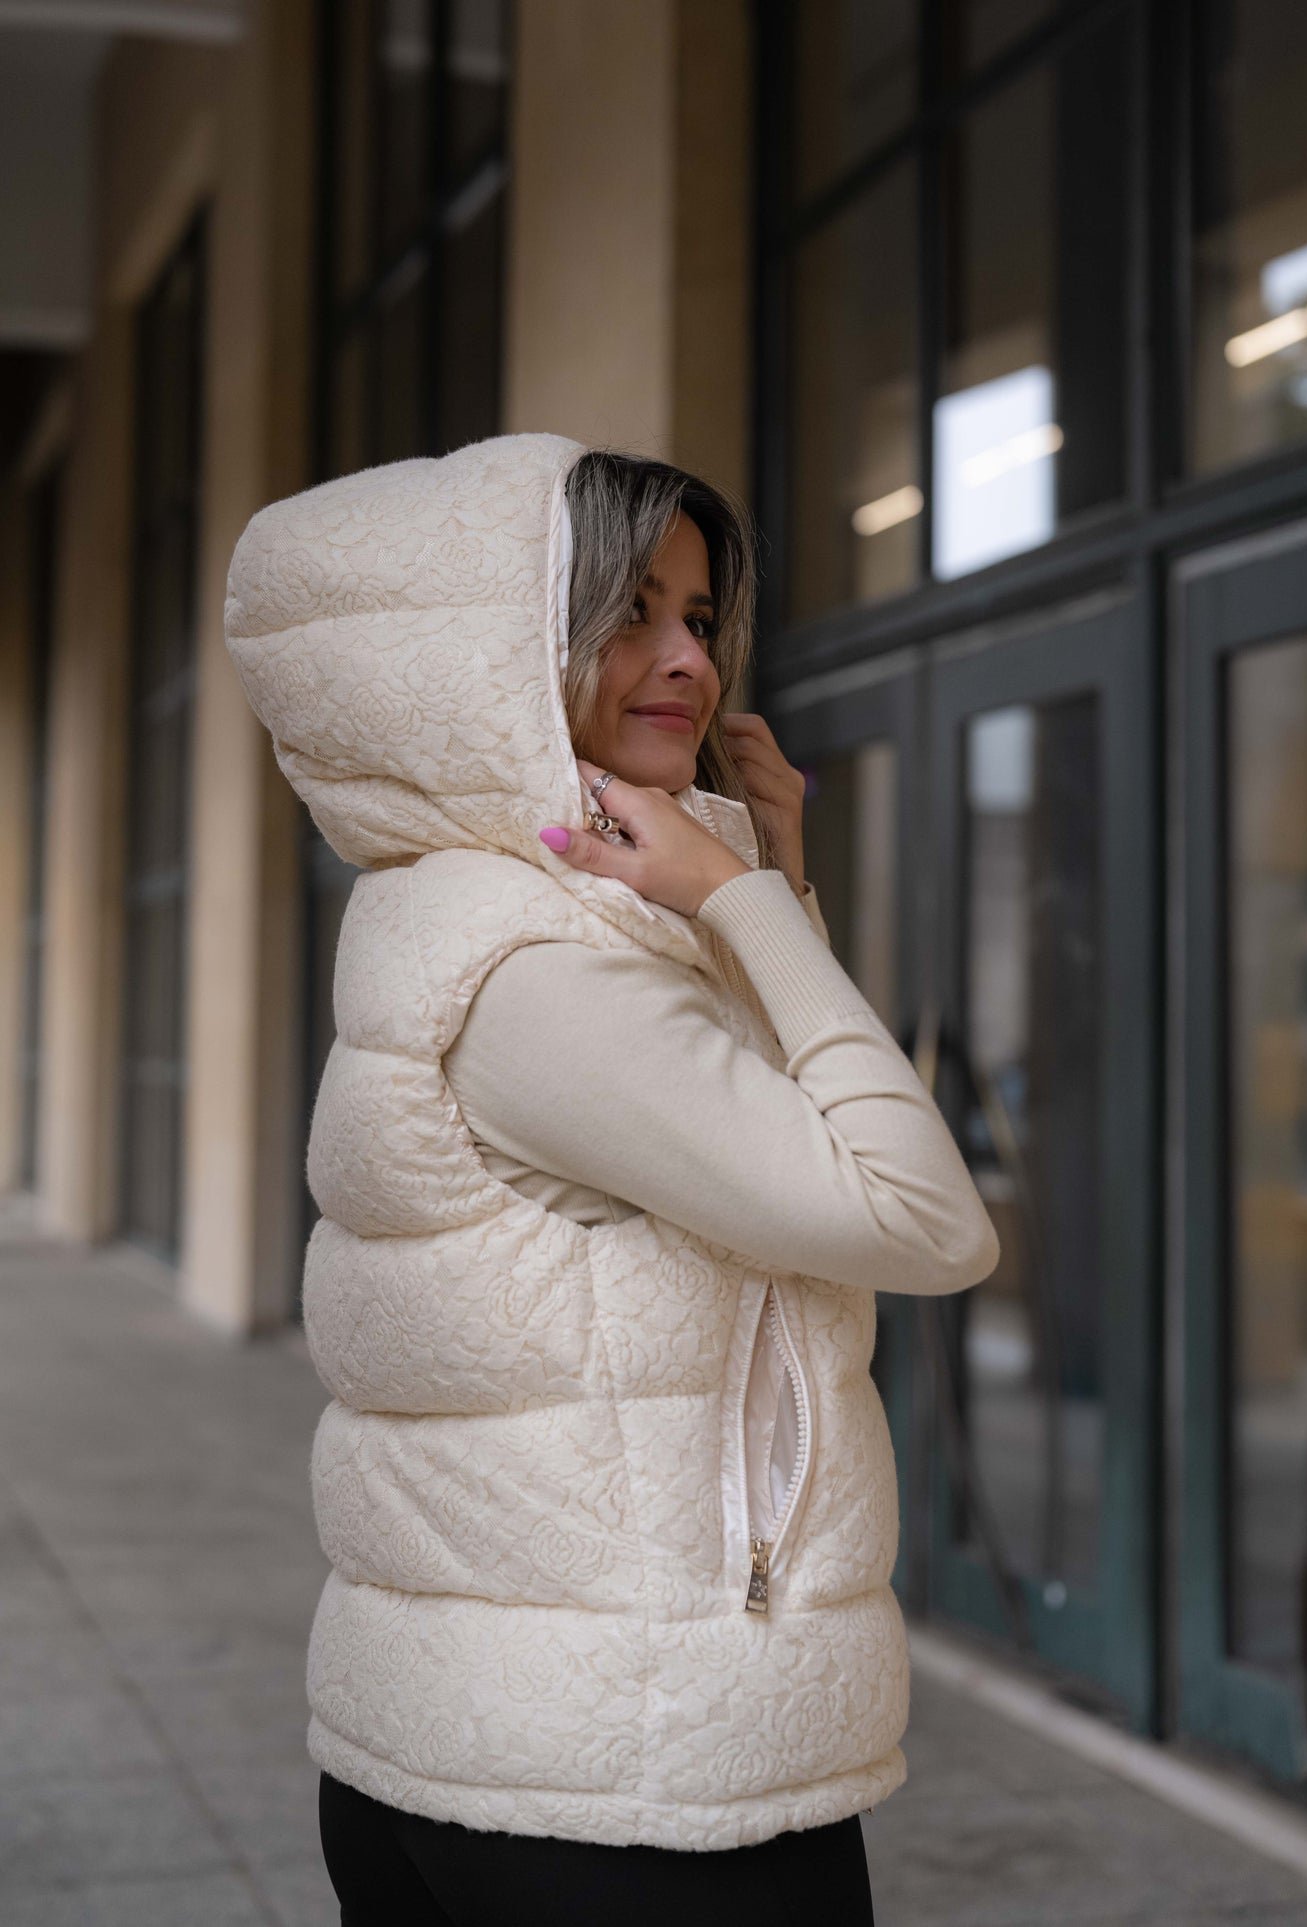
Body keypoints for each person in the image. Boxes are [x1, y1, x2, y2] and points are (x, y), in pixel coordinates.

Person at [223, 433, 1000, 1926]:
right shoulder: (544, 974)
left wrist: (764, 878)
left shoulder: (474, 910)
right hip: (616, 1799)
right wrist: (746, 900)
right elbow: (922, 1216)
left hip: (515, 1747)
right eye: (629, 611)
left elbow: (776, 1141)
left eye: (701, 619)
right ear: (496, 654)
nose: (684, 661)